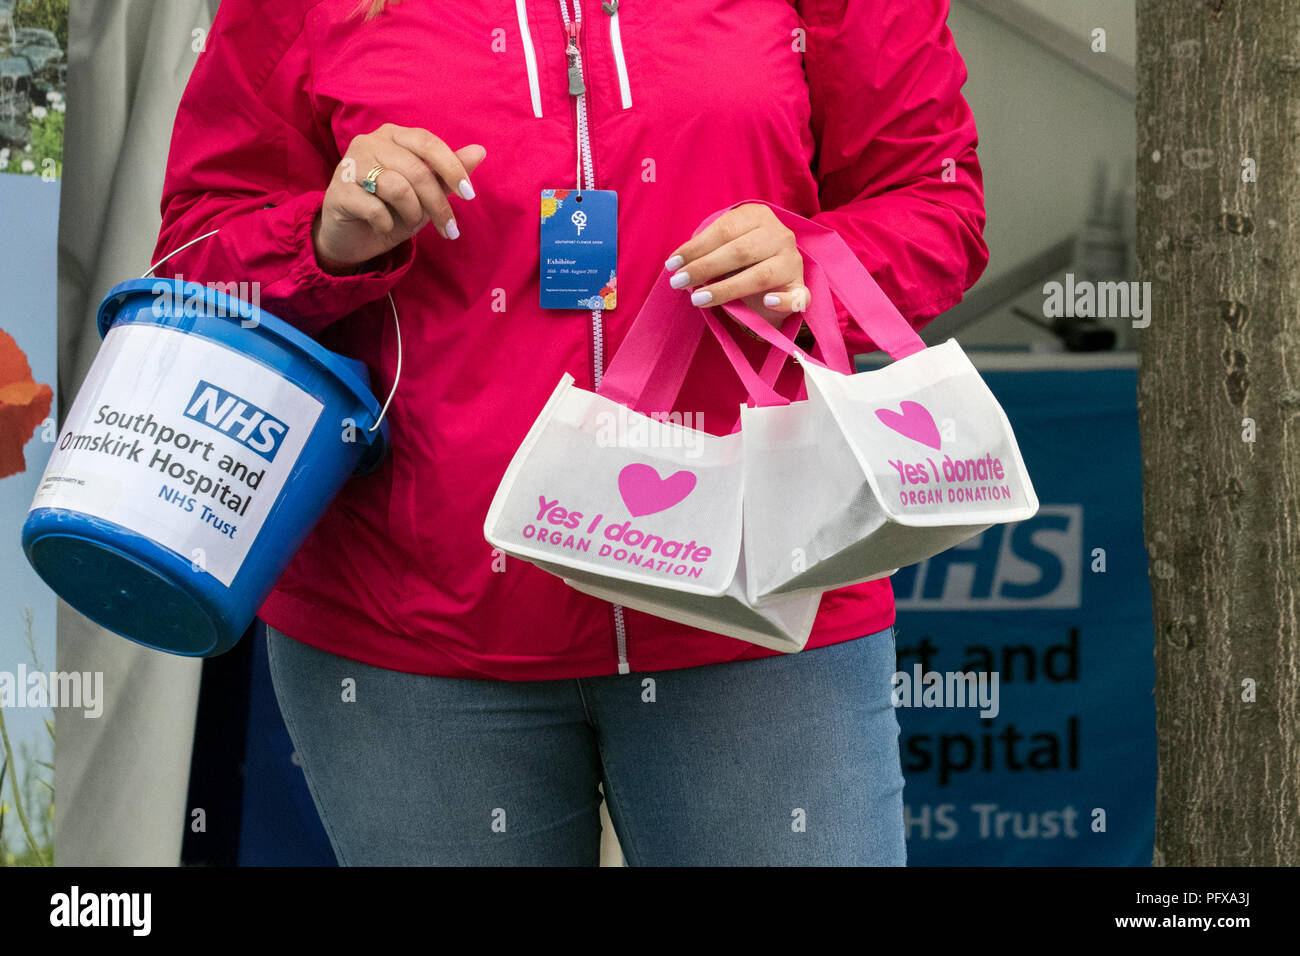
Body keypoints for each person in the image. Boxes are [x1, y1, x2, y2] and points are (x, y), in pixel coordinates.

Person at [153, 0, 988, 865]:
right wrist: (322, 236)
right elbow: (192, 257)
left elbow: (939, 200)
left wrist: (811, 264)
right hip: (413, 625)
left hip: (761, 596)